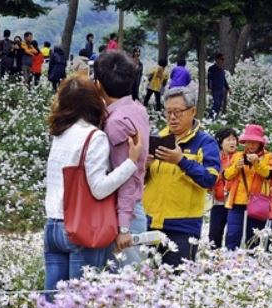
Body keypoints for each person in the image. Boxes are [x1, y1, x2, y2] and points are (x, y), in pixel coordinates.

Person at [44, 76, 143, 299]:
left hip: (52, 226)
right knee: (80, 304)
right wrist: (131, 162)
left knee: (51, 304)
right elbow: (98, 188)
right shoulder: (94, 136)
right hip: (80, 229)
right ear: (93, 101)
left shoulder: (60, 134)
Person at [143, 86, 221, 266]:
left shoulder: (205, 142)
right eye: (168, 112)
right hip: (151, 222)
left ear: (192, 111)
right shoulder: (157, 138)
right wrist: (144, 167)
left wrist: (181, 161)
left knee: (175, 285)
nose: (172, 117)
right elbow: (143, 181)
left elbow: (210, 180)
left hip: (183, 228)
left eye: (177, 112)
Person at [94, 51, 151, 268]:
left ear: (99, 85)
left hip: (125, 213)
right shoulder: (137, 109)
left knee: (124, 287)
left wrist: (124, 227)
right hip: (133, 208)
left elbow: (127, 175)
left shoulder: (117, 122)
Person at [223, 124, 272, 250]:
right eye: (248, 142)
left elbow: (269, 175)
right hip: (237, 200)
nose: (251, 145)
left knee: (253, 238)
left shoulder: (268, 157)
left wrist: (257, 163)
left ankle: (251, 264)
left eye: (254, 142)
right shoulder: (237, 155)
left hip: (257, 201)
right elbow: (226, 175)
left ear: (260, 143)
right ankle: (229, 262)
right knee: (232, 234)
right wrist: (236, 167)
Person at [209, 128, 239, 249]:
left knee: (232, 235)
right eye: (228, 140)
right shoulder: (215, 158)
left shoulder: (239, 157)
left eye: (234, 139)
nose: (232, 142)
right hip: (218, 201)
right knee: (214, 234)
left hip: (235, 202)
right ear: (221, 142)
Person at [207, 53, 230, 118]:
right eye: (222, 59)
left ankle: (215, 116)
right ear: (217, 60)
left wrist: (228, 88)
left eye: (223, 59)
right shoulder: (211, 68)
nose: (223, 61)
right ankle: (210, 117)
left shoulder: (222, 69)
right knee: (216, 103)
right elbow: (209, 79)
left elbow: (224, 79)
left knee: (219, 104)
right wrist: (209, 88)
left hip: (221, 89)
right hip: (215, 89)